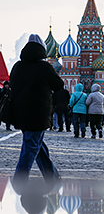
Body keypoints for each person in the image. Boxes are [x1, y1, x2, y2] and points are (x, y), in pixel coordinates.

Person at [9, 34, 64, 185]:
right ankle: (19, 180)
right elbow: (59, 85)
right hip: (39, 113)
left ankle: (53, 177)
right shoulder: (44, 67)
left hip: (20, 112)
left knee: (36, 144)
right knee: (31, 146)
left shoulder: (18, 66)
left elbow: (11, 84)